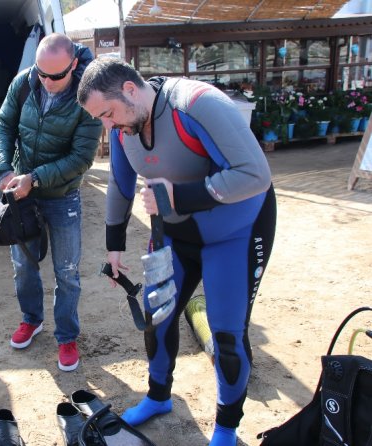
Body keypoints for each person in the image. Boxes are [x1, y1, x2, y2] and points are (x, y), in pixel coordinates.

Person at [76, 58, 277, 445]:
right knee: (158, 316)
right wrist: (113, 246)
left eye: (107, 113)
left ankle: (226, 427)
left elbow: (255, 174)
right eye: (99, 118)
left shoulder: (199, 104)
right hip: (173, 234)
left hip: (235, 233)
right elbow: (120, 184)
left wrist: (178, 195)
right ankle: (158, 396)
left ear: (130, 90)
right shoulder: (123, 128)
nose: (107, 125)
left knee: (226, 334)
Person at [0, 33, 102, 372]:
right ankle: (32, 319)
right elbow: (4, 125)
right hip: (21, 195)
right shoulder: (24, 83)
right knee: (23, 265)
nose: (48, 81)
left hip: (62, 196)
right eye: (42, 73)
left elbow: (81, 158)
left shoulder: (89, 97)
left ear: (73, 65)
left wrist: (35, 178)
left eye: (56, 75)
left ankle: (67, 336)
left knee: (66, 272)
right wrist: (3, 168)